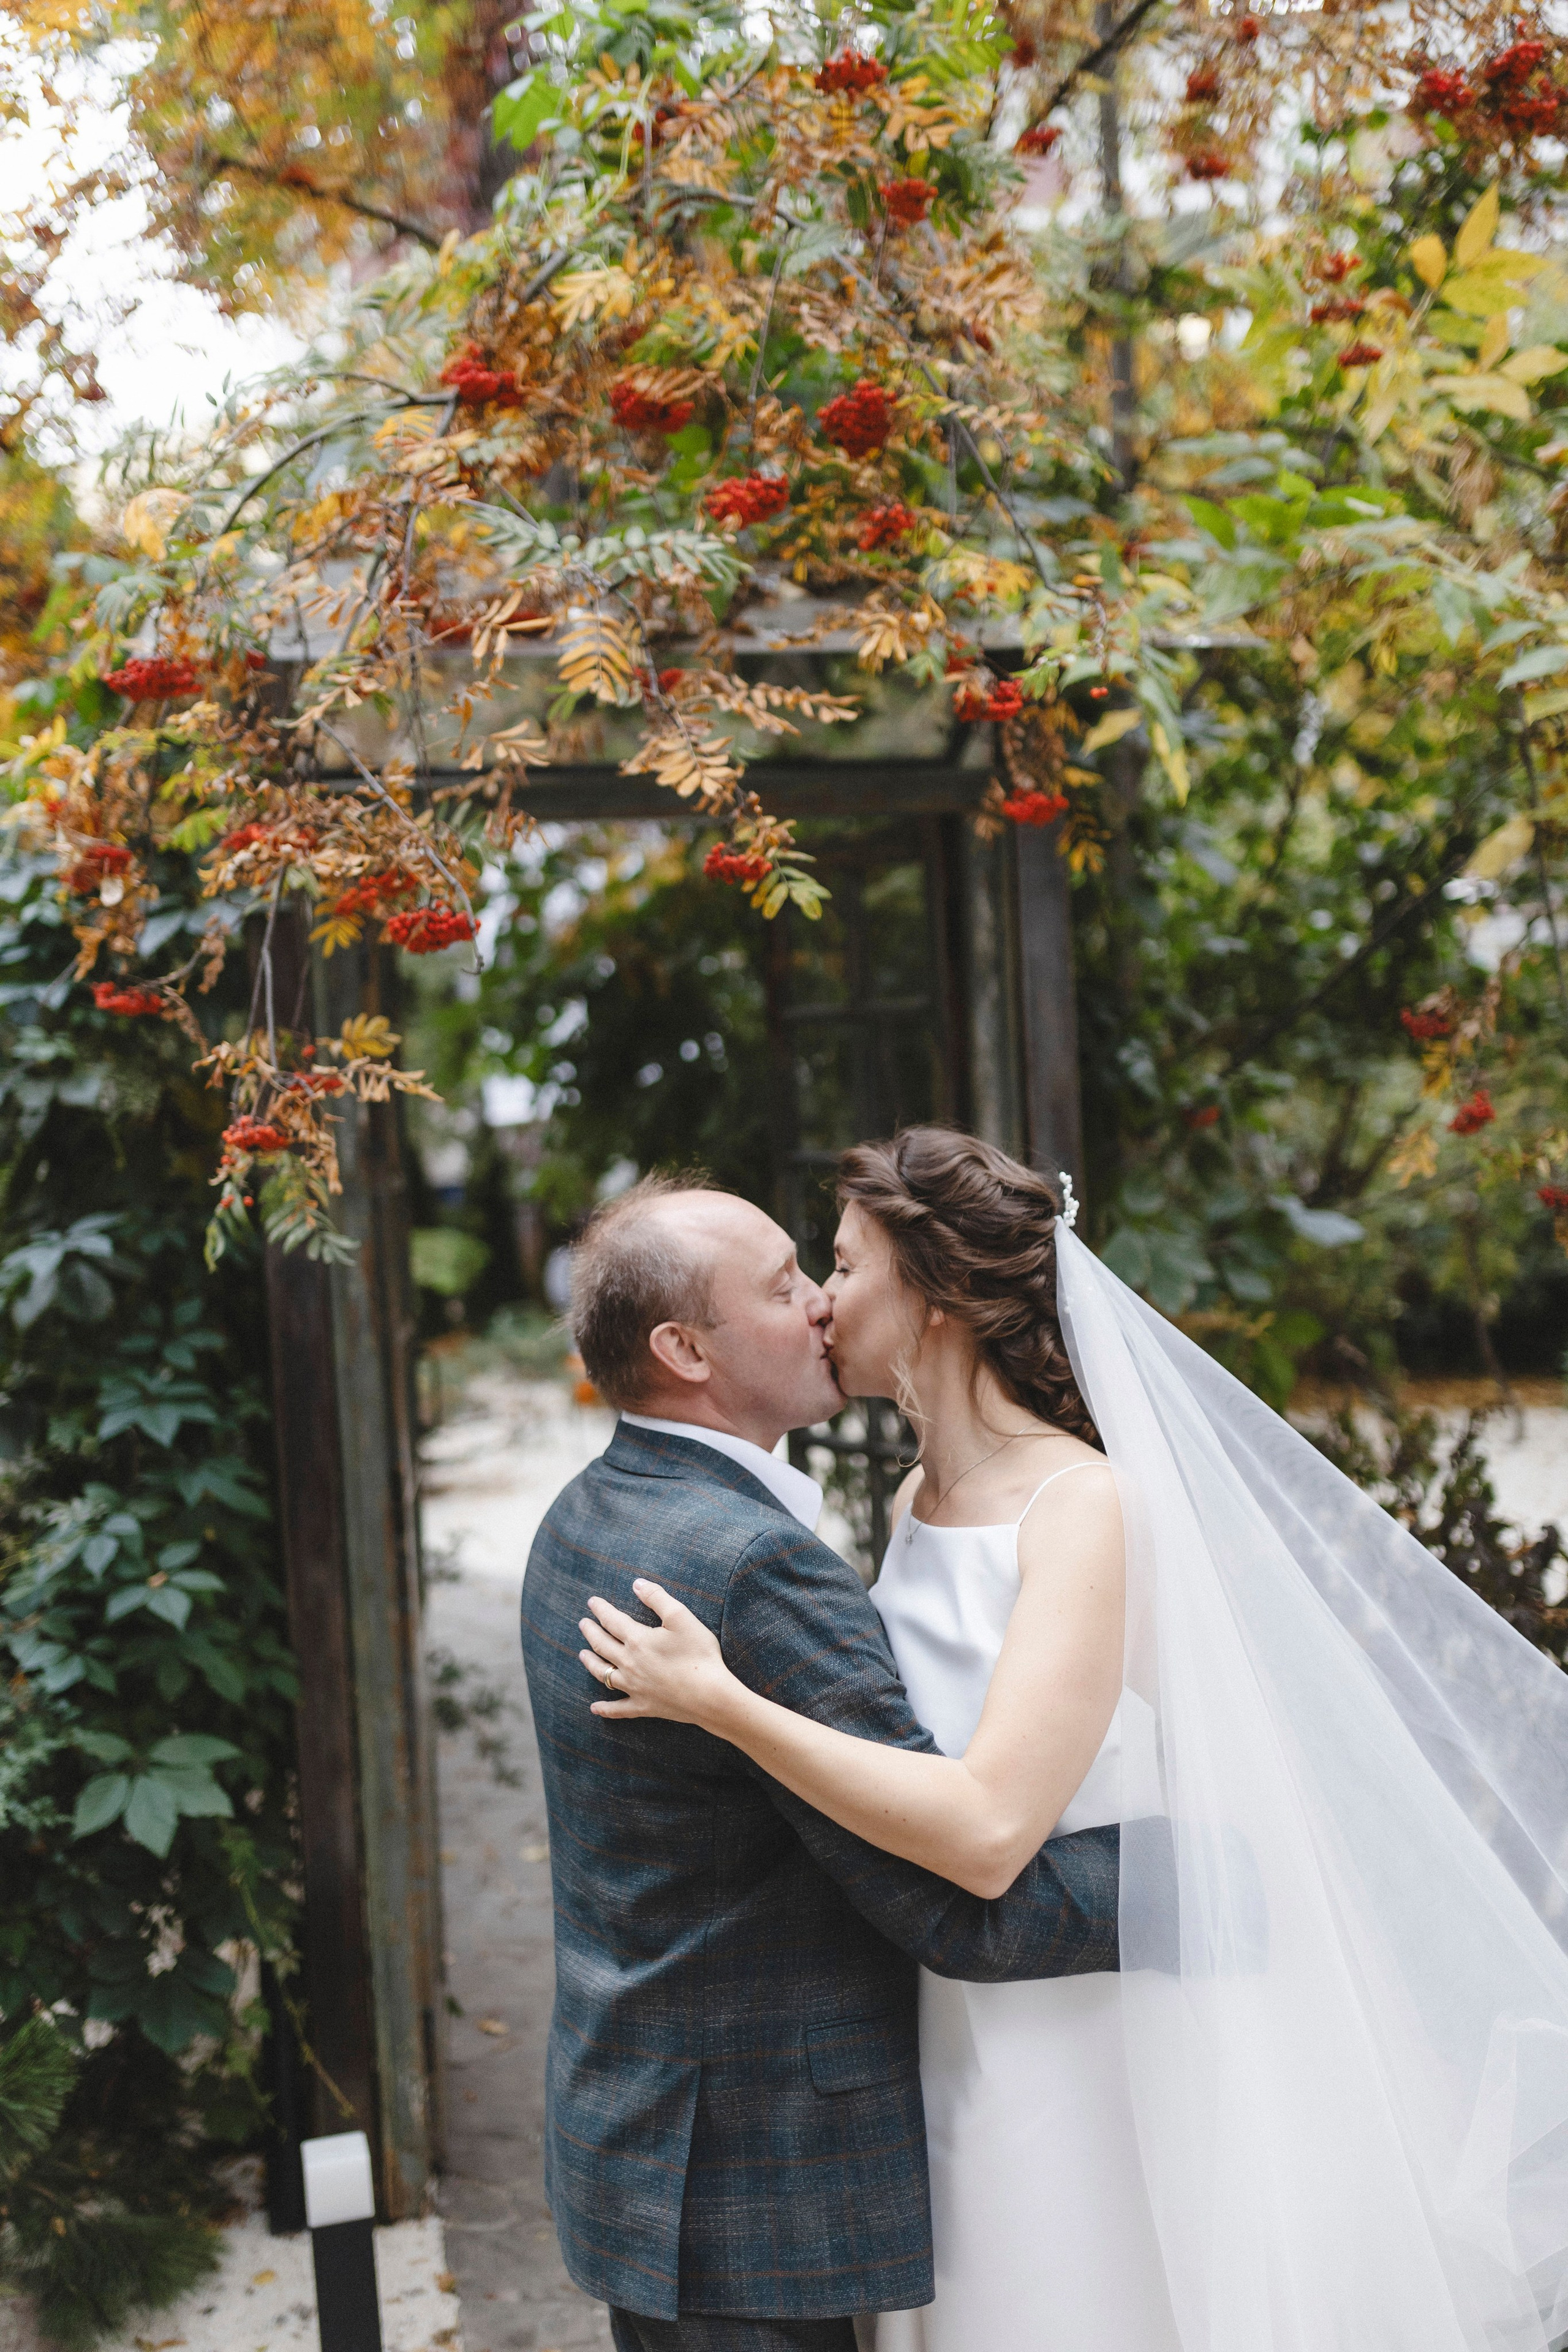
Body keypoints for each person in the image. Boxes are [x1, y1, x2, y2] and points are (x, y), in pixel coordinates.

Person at [581, 1128, 1568, 2352]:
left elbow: (992, 1826)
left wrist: (723, 1703)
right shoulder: (912, 1495)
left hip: (1064, 2040)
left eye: (840, 1264)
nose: (824, 1301)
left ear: (932, 1296)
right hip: (946, 2022)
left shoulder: (1081, 1506)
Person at [519, 1172, 1124, 2352]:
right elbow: (958, 1899)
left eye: (827, 1271)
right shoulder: (747, 1566)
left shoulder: (588, 1511)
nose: (817, 1307)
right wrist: (1209, 1890)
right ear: (686, 1348)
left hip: (644, 2145)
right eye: (788, 1282)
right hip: (751, 2183)